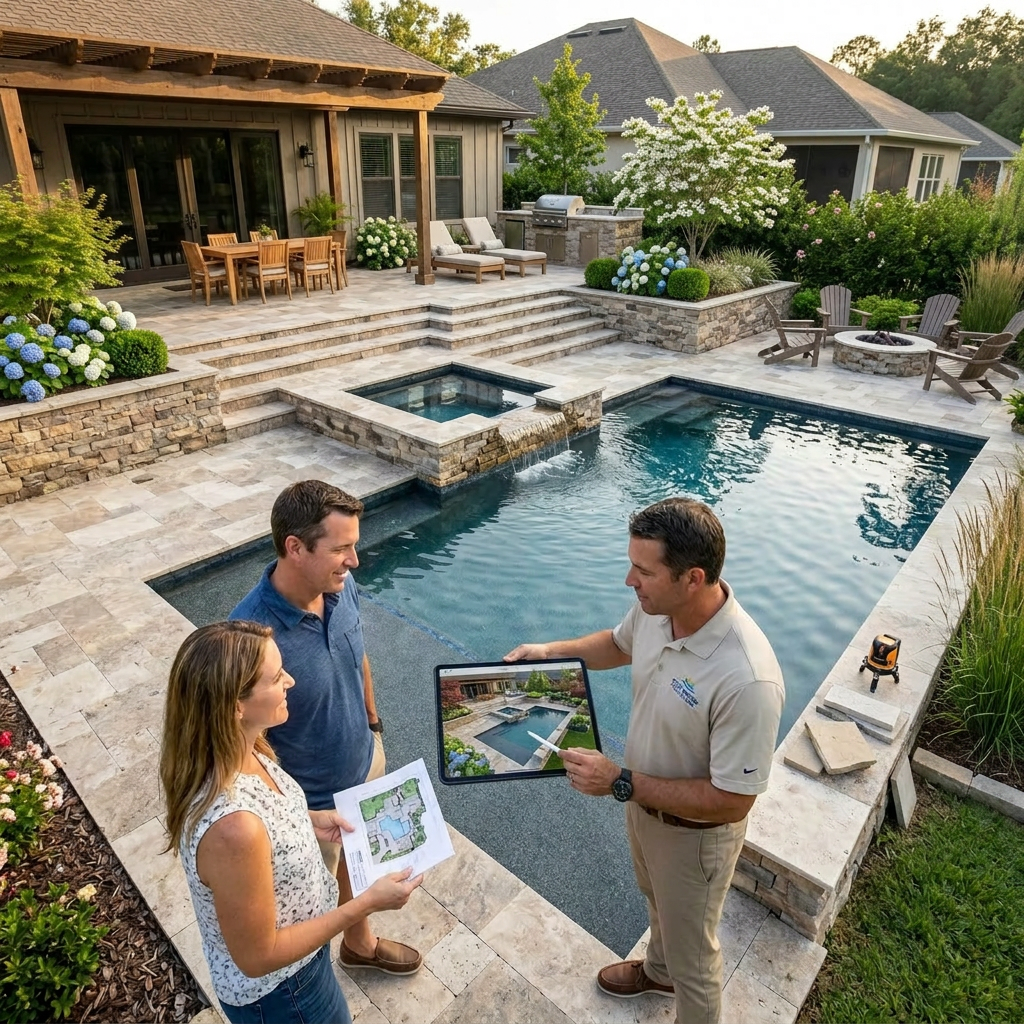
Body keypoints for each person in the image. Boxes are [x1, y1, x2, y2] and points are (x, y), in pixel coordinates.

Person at [506, 497, 784, 1024]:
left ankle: (677, 982)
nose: (629, 580)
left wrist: (621, 780)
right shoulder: (660, 609)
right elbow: (616, 644)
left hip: (694, 835)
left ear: (692, 578)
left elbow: (732, 801)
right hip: (640, 803)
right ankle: (658, 973)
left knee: (695, 960)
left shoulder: (747, 678)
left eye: (643, 570)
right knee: (655, 902)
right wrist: (549, 652)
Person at [160, 621, 422, 1024]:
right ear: (236, 705)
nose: (291, 680)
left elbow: (266, 816)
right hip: (285, 993)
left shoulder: (245, 747)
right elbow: (258, 957)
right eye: (277, 676)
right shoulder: (233, 829)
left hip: (303, 964)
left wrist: (308, 819)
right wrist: (365, 904)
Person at [229, 480, 421, 976]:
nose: (354, 560)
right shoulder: (249, 640)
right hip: (311, 802)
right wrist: (296, 808)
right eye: (340, 548)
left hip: (364, 756)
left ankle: (359, 945)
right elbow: (239, 745)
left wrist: (374, 726)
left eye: (353, 545)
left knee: (361, 867)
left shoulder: (338, 585)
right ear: (295, 548)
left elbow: (359, 658)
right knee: (309, 911)